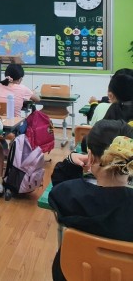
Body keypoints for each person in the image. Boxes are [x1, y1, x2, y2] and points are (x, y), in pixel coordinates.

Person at [49, 120, 133, 281]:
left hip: (72, 273)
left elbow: (59, 188)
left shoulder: (70, 195)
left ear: (90, 157)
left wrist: (69, 162)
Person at [0, 63, 39, 134]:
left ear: (6, 75)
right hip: (15, 126)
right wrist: (32, 92)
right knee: (27, 122)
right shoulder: (23, 89)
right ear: (20, 79)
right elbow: (38, 99)